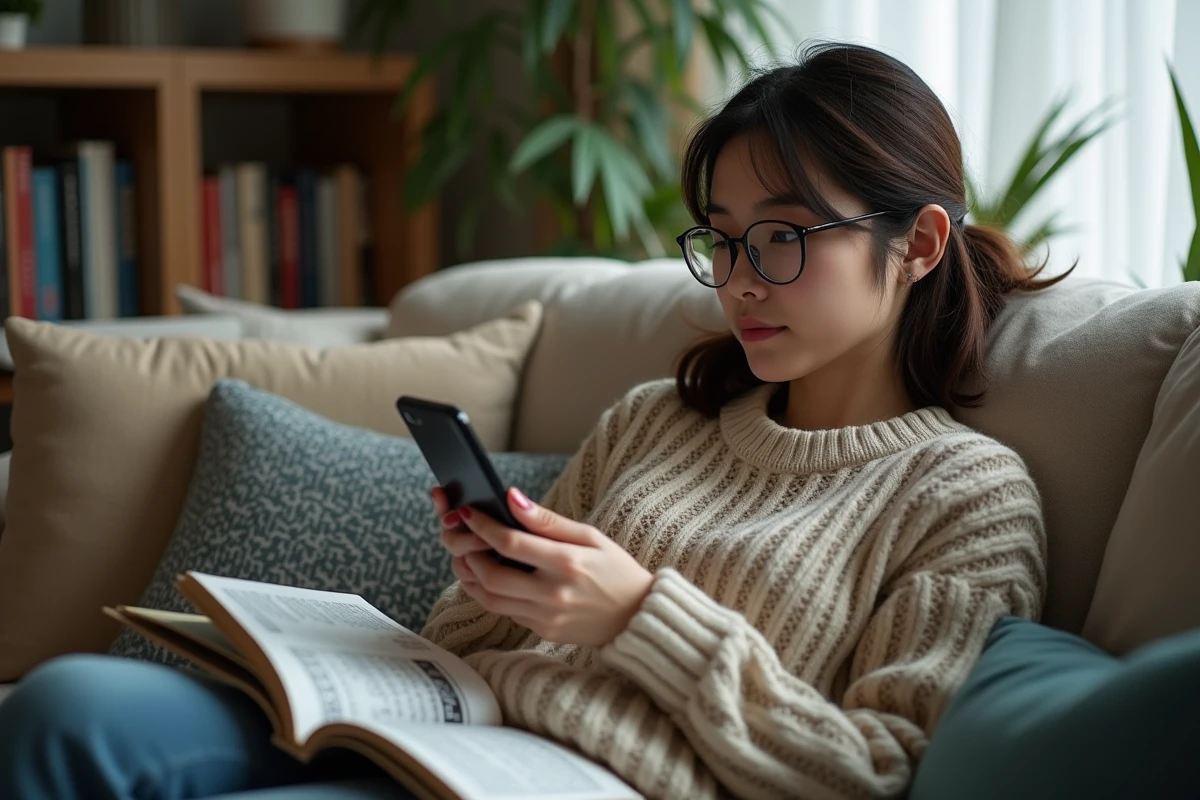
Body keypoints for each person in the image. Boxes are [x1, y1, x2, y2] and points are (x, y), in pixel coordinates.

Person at [0, 41, 1061, 800]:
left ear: (919, 244)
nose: (739, 279)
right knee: (68, 705)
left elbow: (875, 771)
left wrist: (637, 615)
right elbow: (467, 652)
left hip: (582, 782)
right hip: (450, 743)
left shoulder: (967, 495)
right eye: (722, 239)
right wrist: (492, 578)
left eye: (781, 238)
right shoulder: (657, 421)